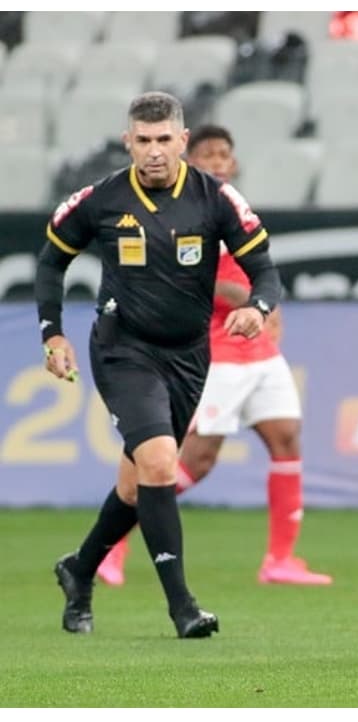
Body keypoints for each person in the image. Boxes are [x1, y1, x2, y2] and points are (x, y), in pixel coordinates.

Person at [37, 91, 283, 638]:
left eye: (163, 140)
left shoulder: (215, 198)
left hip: (190, 357)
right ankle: (183, 609)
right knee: (160, 465)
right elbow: (52, 261)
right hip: (123, 348)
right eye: (142, 141)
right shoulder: (100, 200)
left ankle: (79, 570)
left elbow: (264, 269)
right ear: (128, 141)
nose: (153, 152)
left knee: (135, 487)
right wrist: (53, 334)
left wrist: (257, 307)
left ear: (183, 142)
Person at [96, 125, 331, 587]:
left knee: (286, 438)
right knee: (196, 460)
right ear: (188, 159)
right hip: (218, 353)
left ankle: (279, 560)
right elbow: (195, 282)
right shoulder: (180, 214)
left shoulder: (233, 210)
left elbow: (259, 268)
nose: (219, 162)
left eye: (225, 154)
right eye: (208, 155)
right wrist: (248, 298)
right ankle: (112, 547)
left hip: (260, 352)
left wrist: (267, 305)